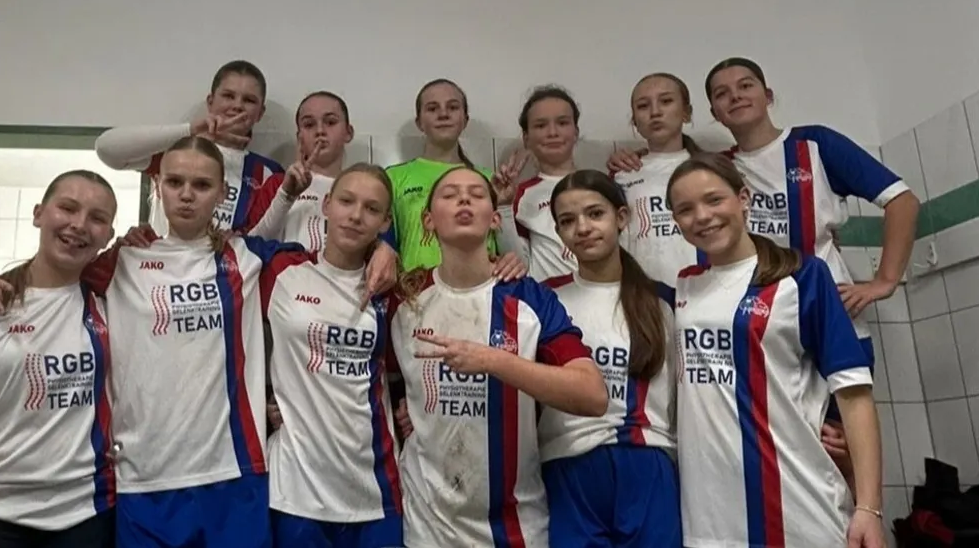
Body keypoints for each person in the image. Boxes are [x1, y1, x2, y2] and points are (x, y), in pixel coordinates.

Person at [0, 136, 303, 548]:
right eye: (175, 182)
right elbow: (47, 277)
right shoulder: (120, 261)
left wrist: (373, 256)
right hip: (141, 483)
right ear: (158, 187)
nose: (187, 195)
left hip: (234, 477)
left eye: (201, 185)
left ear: (222, 193)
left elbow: (333, 269)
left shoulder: (250, 257)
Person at [667, 153, 885, 548]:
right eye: (685, 209)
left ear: (743, 199)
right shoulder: (685, 286)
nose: (702, 216)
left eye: (714, 199)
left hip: (797, 506)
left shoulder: (802, 277)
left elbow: (854, 395)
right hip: (707, 517)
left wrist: (869, 508)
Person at [390, 165, 608, 548]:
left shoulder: (529, 298)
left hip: (515, 526)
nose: (464, 199)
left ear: (494, 219)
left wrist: (494, 361)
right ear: (428, 220)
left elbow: (591, 395)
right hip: (426, 525)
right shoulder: (404, 299)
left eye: (476, 194)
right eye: (450, 195)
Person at [0, 170, 118, 548]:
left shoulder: (111, 295)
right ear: (38, 214)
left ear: (108, 236)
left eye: (97, 218)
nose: (79, 225)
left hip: (89, 515)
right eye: (68, 208)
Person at [703, 57, 919, 322]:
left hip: (826, 308)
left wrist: (885, 281)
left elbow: (902, 201)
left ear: (768, 96)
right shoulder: (717, 169)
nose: (735, 96)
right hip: (757, 318)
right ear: (715, 113)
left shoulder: (816, 143)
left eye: (745, 86)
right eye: (722, 94)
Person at [258, 162, 403, 548]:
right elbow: (231, 249)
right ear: (325, 205)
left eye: (371, 209)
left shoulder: (390, 289)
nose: (356, 215)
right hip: (295, 490)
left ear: (385, 223)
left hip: (374, 489)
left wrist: (390, 250)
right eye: (346, 201)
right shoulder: (282, 269)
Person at [539, 169, 681, 548]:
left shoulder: (665, 301)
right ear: (558, 233)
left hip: (647, 461)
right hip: (568, 462)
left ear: (621, 217)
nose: (583, 228)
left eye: (595, 213)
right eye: (568, 221)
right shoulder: (544, 299)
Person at [94, 59, 282, 234]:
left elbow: (269, 235)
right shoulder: (176, 153)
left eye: (249, 100)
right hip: (164, 257)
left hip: (234, 260)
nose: (237, 106)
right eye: (228, 96)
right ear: (210, 101)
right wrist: (191, 129)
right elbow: (106, 149)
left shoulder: (270, 173)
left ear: (260, 113)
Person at [385, 78, 498, 270]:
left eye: (452, 107)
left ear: (465, 120)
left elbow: (508, 250)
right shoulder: (394, 177)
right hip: (415, 285)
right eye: (432, 108)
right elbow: (382, 241)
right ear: (419, 122)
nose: (443, 114)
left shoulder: (489, 179)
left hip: (480, 284)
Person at [613, 73, 705, 285]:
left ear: (686, 112)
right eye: (643, 106)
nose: (655, 112)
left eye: (666, 101)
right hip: (643, 292)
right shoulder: (621, 174)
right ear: (634, 121)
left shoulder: (711, 168)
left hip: (704, 288)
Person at [246, 91, 356, 250]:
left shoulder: (360, 187)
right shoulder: (278, 183)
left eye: (330, 122)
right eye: (309, 125)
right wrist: (286, 196)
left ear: (348, 133)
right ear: (299, 137)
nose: (320, 131)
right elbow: (251, 246)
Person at [493, 85, 581, 281]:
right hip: (548, 296)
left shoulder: (603, 185)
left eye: (562, 123)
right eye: (541, 126)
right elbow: (517, 265)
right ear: (526, 138)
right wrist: (504, 206)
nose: (553, 132)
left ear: (575, 131)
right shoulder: (521, 195)